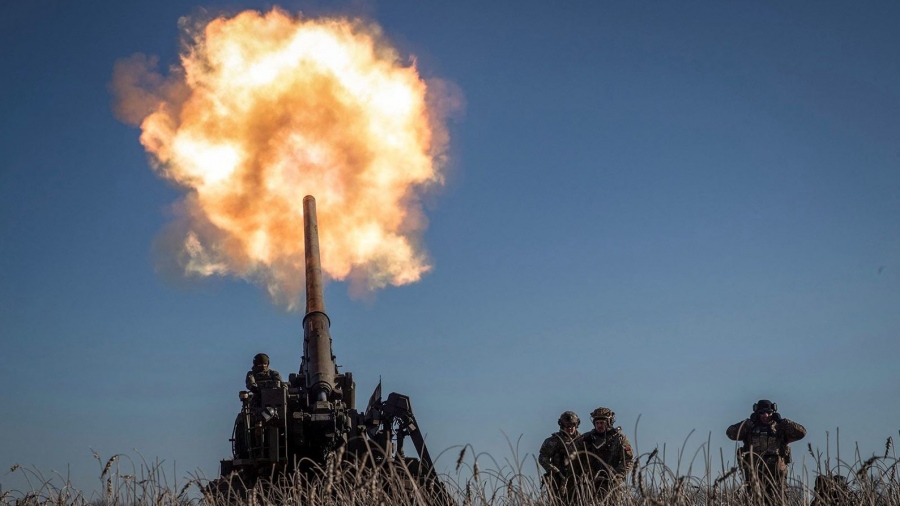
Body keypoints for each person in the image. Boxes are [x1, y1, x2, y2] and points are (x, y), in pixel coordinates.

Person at [726, 399, 806, 501]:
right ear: (757, 414)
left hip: (777, 478)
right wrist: (748, 423)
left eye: (768, 412)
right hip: (754, 476)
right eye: (762, 413)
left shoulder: (779, 427)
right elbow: (730, 433)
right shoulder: (750, 428)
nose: (766, 415)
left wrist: (783, 422)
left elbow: (802, 432)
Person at [572, 407, 634, 499]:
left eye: (602, 423)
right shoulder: (585, 438)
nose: (599, 425)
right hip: (590, 483)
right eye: (597, 423)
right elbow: (573, 457)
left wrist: (617, 474)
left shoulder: (619, 438)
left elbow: (628, 460)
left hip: (612, 484)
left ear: (609, 423)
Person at [539, 411, 581, 498]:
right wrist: (556, 472)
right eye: (567, 426)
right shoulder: (554, 440)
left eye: (572, 425)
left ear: (576, 425)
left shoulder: (583, 440)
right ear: (562, 425)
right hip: (558, 481)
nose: (570, 428)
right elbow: (543, 458)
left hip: (578, 480)